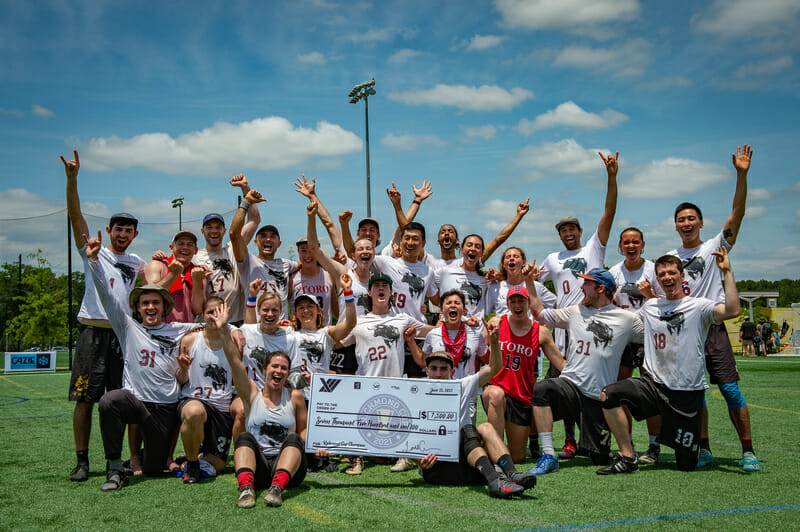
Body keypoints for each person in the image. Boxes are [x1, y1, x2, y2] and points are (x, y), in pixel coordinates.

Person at [599, 250, 744, 473]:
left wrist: (728, 272)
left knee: (686, 464)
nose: (667, 277)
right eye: (662, 274)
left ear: (682, 276)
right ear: (657, 279)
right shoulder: (650, 308)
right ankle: (628, 457)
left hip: (685, 393)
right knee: (609, 395)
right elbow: (626, 326)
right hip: (653, 385)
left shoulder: (699, 306)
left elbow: (733, 310)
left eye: (672, 273)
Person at [667, 143, 759, 471]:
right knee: (696, 396)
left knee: (731, 390)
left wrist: (741, 175)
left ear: (702, 223)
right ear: (676, 226)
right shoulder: (669, 259)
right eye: (681, 220)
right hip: (685, 333)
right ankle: (703, 448)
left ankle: (748, 451)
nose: (687, 223)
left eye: (692, 218)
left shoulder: (714, 246)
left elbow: (738, 213)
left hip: (714, 328)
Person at [83, 231, 198, 491]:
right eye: (144, 303)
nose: (150, 307)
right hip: (137, 404)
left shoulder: (178, 329)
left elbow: (211, 325)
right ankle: (114, 468)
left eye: (155, 302)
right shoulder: (126, 327)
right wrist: (93, 262)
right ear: (137, 307)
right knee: (109, 400)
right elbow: (105, 294)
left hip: (165, 407)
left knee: (153, 469)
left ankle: (155, 458)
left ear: (164, 307)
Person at [63, 150, 147, 482]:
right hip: (91, 334)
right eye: (119, 229)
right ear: (109, 230)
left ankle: (122, 459)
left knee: (120, 401)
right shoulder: (92, 251)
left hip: (122, 337)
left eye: (129, 230)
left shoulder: (137, 262)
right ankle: (82, 460)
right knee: (85, 399)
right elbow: (74, 216)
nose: (123, 234)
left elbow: (151, 290)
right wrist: (72, 180)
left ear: (135, 235)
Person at [535, 151, 619, 459]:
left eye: (572, 229)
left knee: (595, 382)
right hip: (564, 326)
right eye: (563, 230)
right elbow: (528, 279)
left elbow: (609, 212)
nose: (568, 233)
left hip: (593, 324)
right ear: (559, 235)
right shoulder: (552, 259)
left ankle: (595, 440)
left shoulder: (594, 248)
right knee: (563, 380)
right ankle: (569, 439)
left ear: (580, 232)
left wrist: (611, 177)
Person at [526, 266, 642, 475]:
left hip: (598, 397)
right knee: (542, 389)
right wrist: (528, 282)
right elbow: (540, 314)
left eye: (587, 283)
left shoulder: (627, 319)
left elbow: (653, 337)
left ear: (600, 288)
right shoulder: (575, 312)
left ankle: (613, 449)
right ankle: (548, 454)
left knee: (597, 456)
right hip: (571, 386)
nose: (582, 287)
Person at [215, 302, 326, 508]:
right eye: (274, 366)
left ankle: (276, 489)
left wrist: (314, 446)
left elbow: (303, 430)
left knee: (293, 438)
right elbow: (234, 361)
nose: (279, 371)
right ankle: (246, 489)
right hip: (258, 466)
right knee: (244, 438)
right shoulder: (251, 394)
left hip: (288, 469)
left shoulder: (295, 397)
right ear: (265, 368)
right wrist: (223, 329)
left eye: (284, 368)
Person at [339, 273, 434, 474]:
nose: (381, 288)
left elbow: (430, 331)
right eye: (376, 286)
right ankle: (357, 458)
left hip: (394, 383)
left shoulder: (402, 318)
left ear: (391, 292)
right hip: (367, 383)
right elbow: (336, 341)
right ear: (369, 293)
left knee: (402, 415)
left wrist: (459, 324)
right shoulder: (358, 321)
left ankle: (405, 455)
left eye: (385, 286)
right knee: (361, 419)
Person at [416, 341, 536, 498]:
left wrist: (494, 340)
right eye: (434, 369)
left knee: (484, 427)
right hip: (437, 469)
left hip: (472, 468)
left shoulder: (461, 385)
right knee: (467, 430)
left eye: (443, 369)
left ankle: (510, 474)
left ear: (452, 372)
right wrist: (417, 459)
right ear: (427, 371)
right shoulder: (416, 391)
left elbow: (494, 367)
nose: (438, 374)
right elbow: (408, 434)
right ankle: (495, 479)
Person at [480, 285, 562, 464]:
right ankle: (495, 457)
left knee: (517, 457)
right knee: (495, 395)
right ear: (508, 304)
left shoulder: (541, 332)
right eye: (513, 301)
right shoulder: (496, 323)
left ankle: (487, 447)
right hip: (496, 387)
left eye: (521, 301)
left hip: (521, 395)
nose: (517, 305)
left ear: (528, 303)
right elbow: (478, 350)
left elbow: (561, 363)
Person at [608, 227, 663, 464]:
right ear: (620, 246)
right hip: (623, 341)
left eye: (635, 242)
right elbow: (607, 303)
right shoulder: (613, 272)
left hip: (648, 339)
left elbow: (666, 303)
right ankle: (626, 444)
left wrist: (649, 294)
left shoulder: (653, 270)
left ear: (643, 244)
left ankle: (654, 446)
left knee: (651, 394)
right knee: (620, 393)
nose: (631, 246)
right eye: (626, 243)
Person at [176, 296, 239, 483]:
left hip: (221, 408)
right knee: (194, 411)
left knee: (218, 466)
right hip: (195, 400)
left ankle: (195, 457)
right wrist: (184, 369)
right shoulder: (190, 340)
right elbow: (180, 380)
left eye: (220, 311)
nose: (215, 316)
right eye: (211, 312)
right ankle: (192, 462)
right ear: (203, 315)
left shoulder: (233, 341)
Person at [191, 174, 260, 327]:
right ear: (203, 231)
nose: (214, 231)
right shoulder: (195, 258)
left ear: (224, 230)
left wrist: (246, 190)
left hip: (235, 320)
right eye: (209, 228)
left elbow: (254, 220)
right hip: (208, 321)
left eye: (217, 228)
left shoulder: (232, 249)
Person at [231, 189, 299, 320]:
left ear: (279, 243)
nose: (268, 239)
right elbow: (234, 233)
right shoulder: (247, 261)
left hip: (281, 331)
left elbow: (306, 262)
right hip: (256, 329)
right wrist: (246, 203)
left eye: (272, 237)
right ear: (255, 242)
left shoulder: (286, 263)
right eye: (263, 236)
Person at [146, 231, 206, 323]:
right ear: (171, 248)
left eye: (190, 245)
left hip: (186, 331)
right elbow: (150, 297)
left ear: (196, 250)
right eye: (180, 244)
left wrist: (197, 281)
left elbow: (197, 310)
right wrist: (173, 274)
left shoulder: (198, 273)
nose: (185, 248)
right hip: (158, 329)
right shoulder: (157, 265)